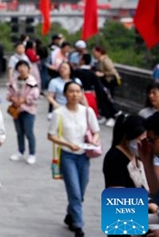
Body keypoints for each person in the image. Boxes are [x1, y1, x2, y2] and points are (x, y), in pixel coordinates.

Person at [47, 81, 100, 237]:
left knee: (81, 190)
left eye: (78, 91)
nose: (75, 94)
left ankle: (70, 215)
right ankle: (78, 224)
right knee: (74, 191)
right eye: (71, 91)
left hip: (84, 155)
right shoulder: (59, 113)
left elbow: (96, 131)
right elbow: (51, 135)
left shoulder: (87, 112)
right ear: (65, 94)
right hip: (67, 155)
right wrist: (68, 144)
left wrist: (94, 141)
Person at [7, 60, 40, 164]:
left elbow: (35, 96)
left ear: (28, 69)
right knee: (19, 132)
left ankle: (32, 153)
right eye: (20, 67)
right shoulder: (14, 81)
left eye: (24, 67)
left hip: (28, 110)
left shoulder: (32, 82)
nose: (22, 69)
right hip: (16, 109)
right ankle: (20, 151)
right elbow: (9, 93)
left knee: (29, 132)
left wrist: (23, 100)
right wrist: (12, 98)